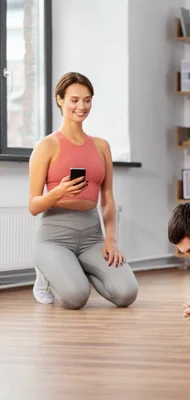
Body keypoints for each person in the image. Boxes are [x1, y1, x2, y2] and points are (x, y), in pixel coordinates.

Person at [28, 72, 138, 309]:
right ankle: (46, 277)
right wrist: (58, 192)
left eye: (87, 100)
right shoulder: (46, 146)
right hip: (54, 237)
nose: (82, 106)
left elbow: (107, 199)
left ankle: (75, 268)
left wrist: (111, 240)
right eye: (74, 100)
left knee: (126, 294)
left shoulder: (101, 146)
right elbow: (33, 206)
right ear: (60, 100)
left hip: (91, 236)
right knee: (76, 298)